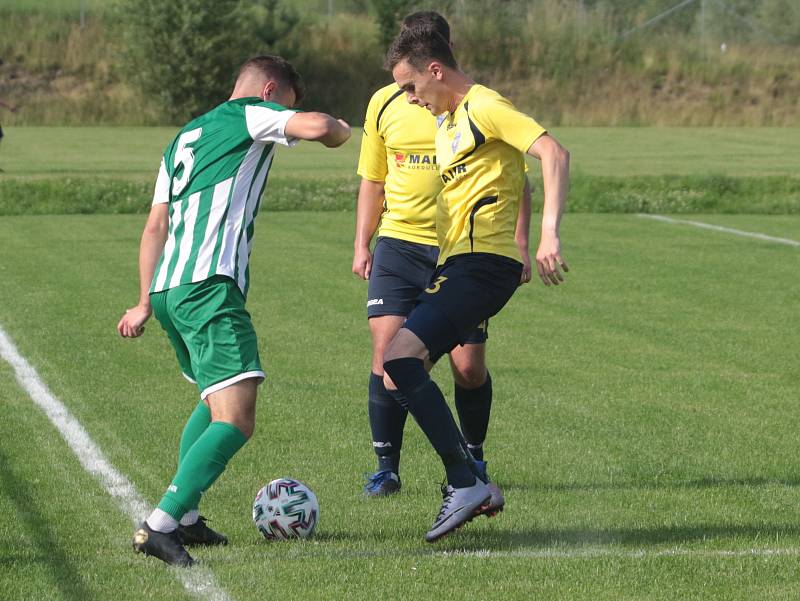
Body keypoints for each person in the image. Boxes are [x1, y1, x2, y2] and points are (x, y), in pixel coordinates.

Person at [117, 55, 350, 567]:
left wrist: (142, 300)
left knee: (211, 399)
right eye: (284, 104)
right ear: (269, 90)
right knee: (237, 417)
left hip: (170, 290)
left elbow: (155, 226)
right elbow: (320, 128)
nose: (283, 117)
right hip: (209, 286)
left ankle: (188, 518)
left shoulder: (183, 138)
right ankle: (160, 524)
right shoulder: (248, 113)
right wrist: (340, 128)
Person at [382, 29, 570, 542]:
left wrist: (545, 235)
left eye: (411, 86)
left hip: (483, 266)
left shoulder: (486, 105)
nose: (409, 99)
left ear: (436, 71)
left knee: (400, 359)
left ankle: (466, 481)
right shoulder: (446, 124)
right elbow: (514, 178)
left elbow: (552, 153)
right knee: (405, 363)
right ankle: (470, 479)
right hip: (458, 266)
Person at [354, 11, 531, 506]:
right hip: (399, 243)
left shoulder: (470, 106)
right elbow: (373, 177)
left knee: (468, 367)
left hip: (459, 250)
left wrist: (521, 241)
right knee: (390, 356)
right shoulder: (386, 102)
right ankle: (387, 468)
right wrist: (361, 242)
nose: (414, 93)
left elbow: (519, 173)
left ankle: (471, 458)